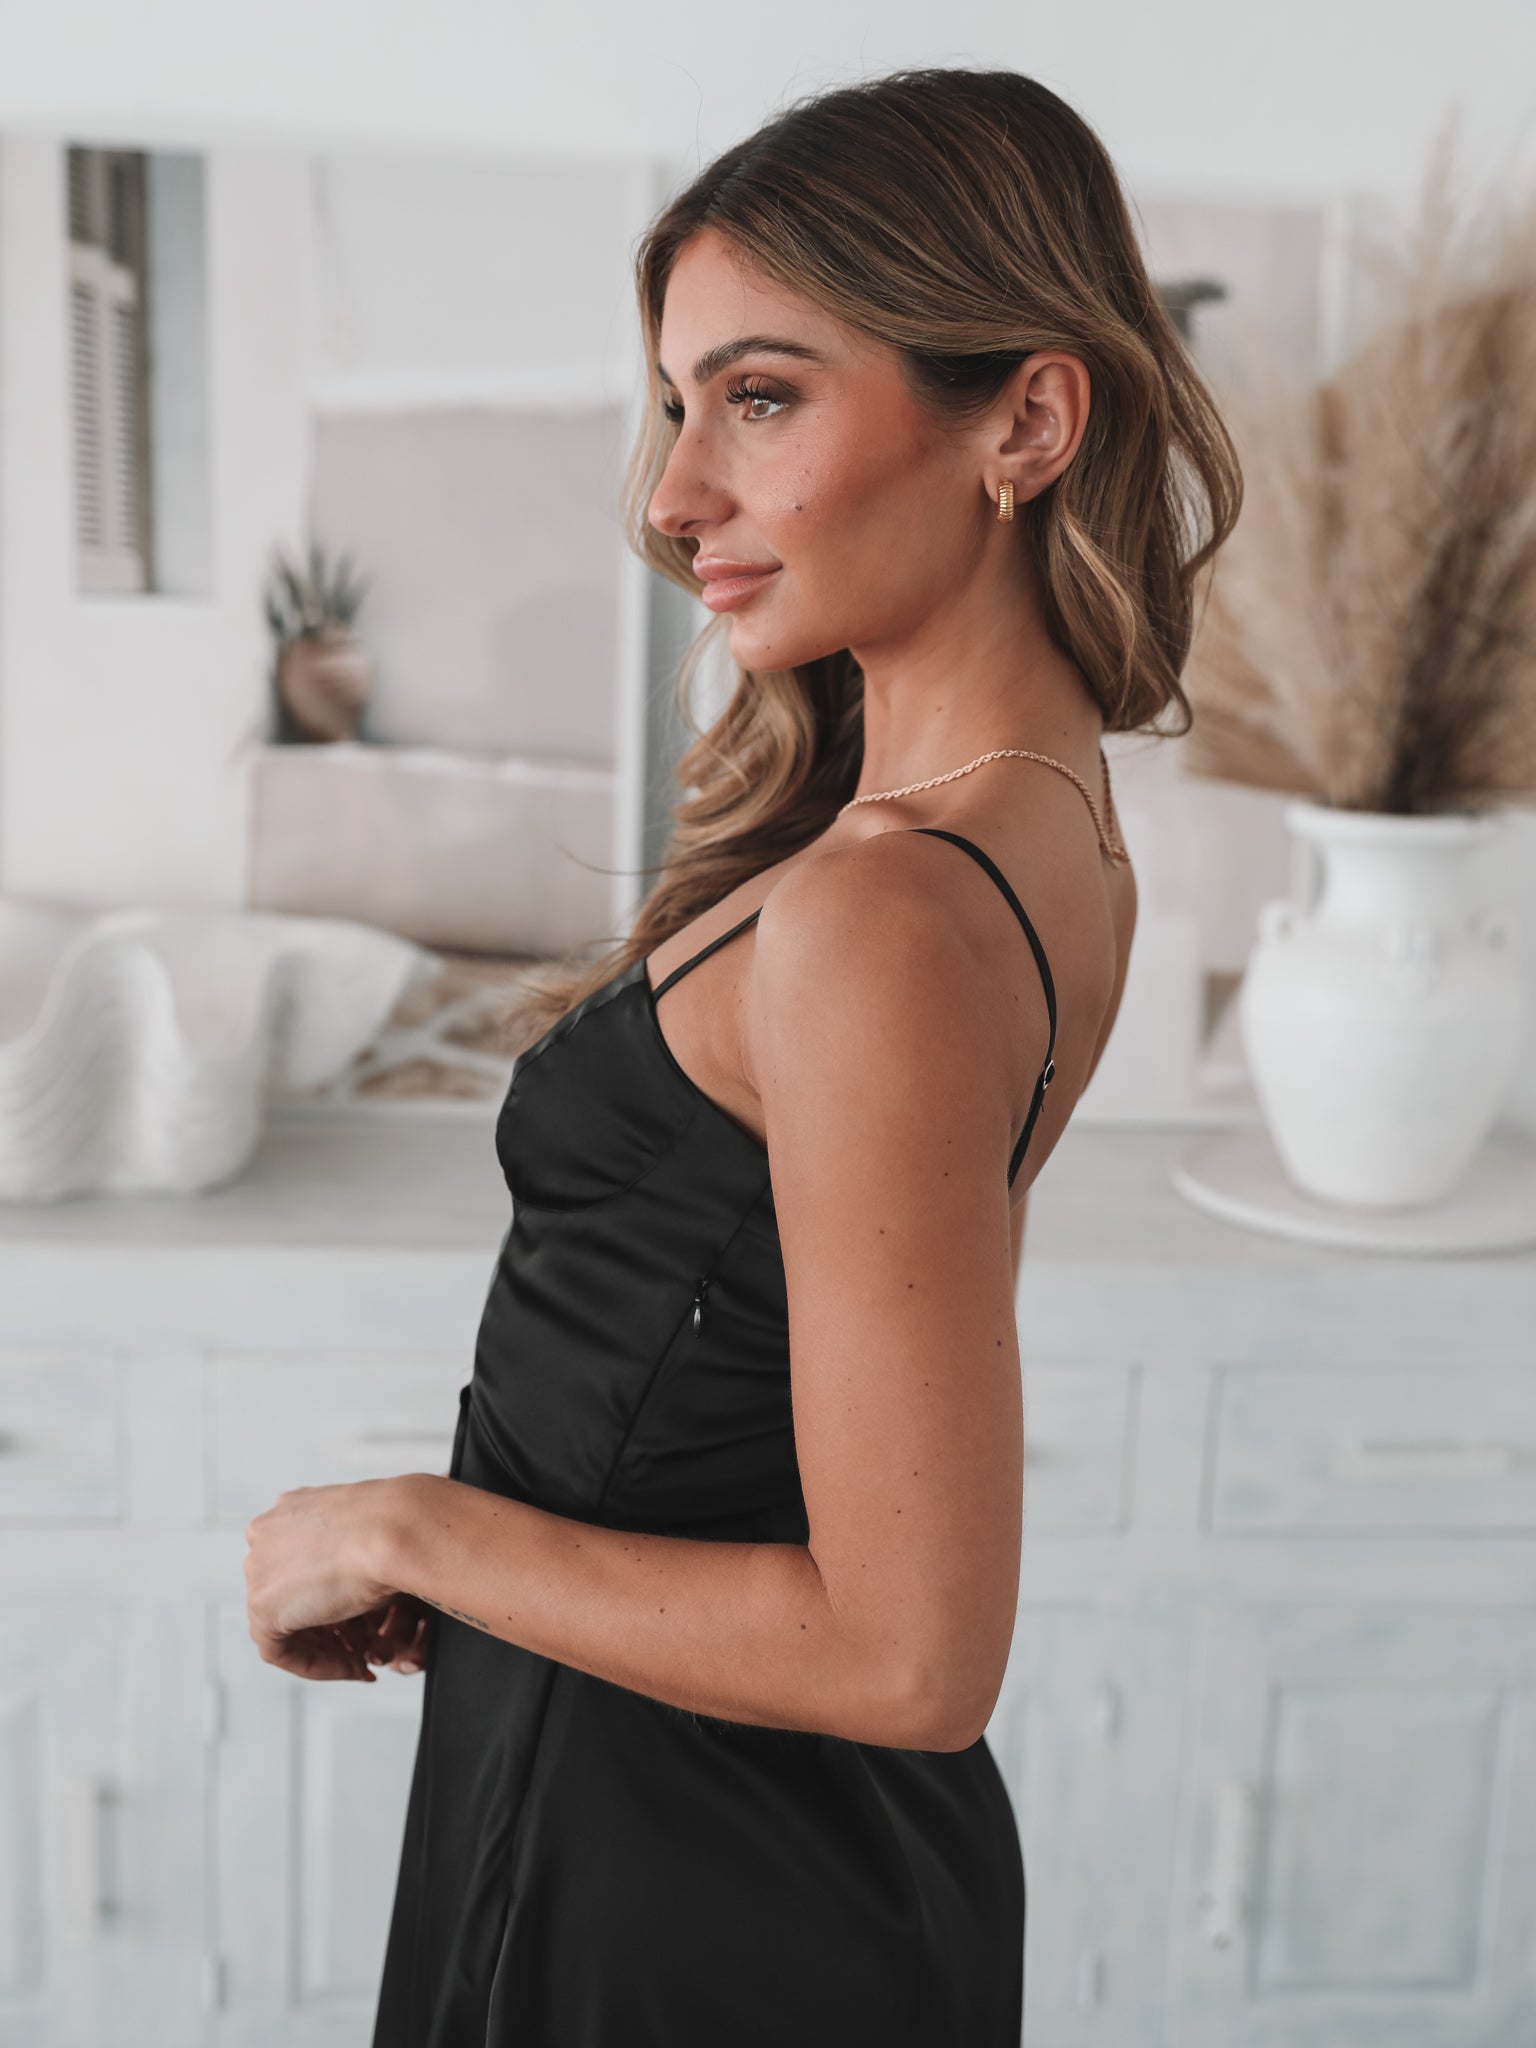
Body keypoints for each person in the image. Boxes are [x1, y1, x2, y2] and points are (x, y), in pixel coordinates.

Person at [242, 64, 1240, 2046]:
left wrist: (400, 1524)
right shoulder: (1040, 829)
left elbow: (911, 1649)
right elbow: (758, 1377)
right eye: (682, 401)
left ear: (1028, 418)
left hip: (681, 1883)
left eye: (761, 396)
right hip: (712, 1817)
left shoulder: (887, 912)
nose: (676, 488)